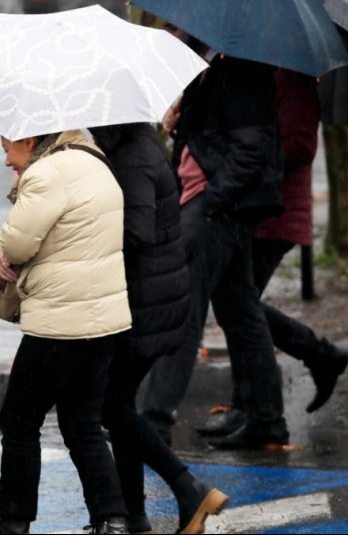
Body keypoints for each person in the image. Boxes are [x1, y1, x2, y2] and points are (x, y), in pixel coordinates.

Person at [140, 37, 290, 450]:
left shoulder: (242, 65)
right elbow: (217, 135)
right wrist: (181, 118)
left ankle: (153, 425)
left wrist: (212, 204)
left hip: (214, 208)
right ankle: (267, 421)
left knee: (182, 314)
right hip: (214, 205)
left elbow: (252, 147)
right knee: (240, 311)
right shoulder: (214, 63)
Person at [0, 129, 131, 535]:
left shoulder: (47, 173)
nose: (6, 161)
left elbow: (16, 245)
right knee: (82, 421)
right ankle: (112, 519)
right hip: (103, 320)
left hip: (59, 324)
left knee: (19, 420)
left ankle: (13, 521)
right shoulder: (94, 160)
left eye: (8, 149)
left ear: (29, 141)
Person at [91, 123, 229, 535]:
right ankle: (136, 516)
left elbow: (134, 232)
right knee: (119, 405)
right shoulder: (138, 144)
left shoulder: (131, 157)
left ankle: (189, 487)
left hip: (144, 301)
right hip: (151, 296)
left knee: (110, 405)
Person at [196, 69, 348, 439]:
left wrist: (251, 145)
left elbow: (301, 145)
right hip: (253, 211)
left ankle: (273, 397)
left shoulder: (292, 80)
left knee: (240, 308)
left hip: (276, 215)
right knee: (237, 307)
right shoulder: (257, 74)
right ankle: (252, 403)